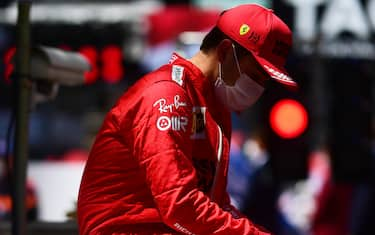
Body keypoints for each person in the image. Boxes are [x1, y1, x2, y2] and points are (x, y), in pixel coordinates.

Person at [77, 4, 297, 235]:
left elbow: (215, 207)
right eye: (255, 75)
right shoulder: (166, 95)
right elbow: (180, 205)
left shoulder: (213, 107)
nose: (259, 87)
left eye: (265, 81)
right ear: (224, 52)